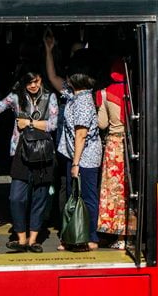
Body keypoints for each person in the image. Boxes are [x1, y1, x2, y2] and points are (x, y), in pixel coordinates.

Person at [0, 70, 58, 253]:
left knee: (40, 197)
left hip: (43, 154)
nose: (33, 85)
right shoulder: (16, 97)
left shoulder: (50, 97)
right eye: (29, 82)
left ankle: (33, 239)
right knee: (16, 197)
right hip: (21, 153)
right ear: (23, 83)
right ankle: (21, 238)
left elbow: (53, 124)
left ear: (41, 80)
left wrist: (29, 123)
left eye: (36, 81)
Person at [45, 34, 102, 251]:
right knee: (72, 195)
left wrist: (76, 164)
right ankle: (72, 235)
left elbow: (81, 135)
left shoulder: (84, 101)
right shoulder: (73, 95)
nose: (66, 77)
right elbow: (52, 77)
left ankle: (90, 237)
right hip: (73, 155)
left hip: (84, 158)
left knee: (86, 196)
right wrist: (48, 50)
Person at [96, 59, 128, 249]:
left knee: (113, 191)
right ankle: (128, 235)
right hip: (131, 144)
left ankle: (115, 233)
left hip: (114, 145)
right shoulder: (135, 92)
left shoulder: (104, 93)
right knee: (127, 190)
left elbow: (102, 124)